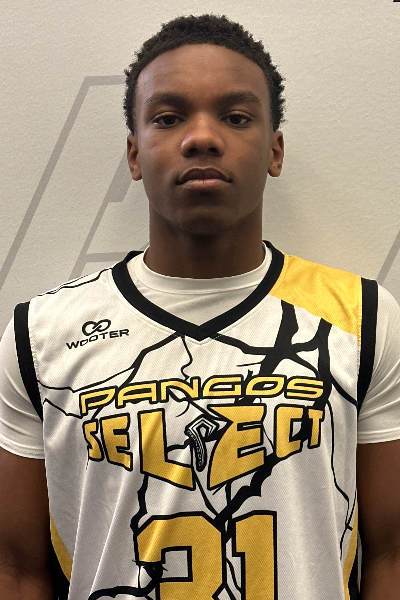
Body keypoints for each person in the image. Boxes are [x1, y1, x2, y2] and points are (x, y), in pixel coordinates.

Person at [1, 13, 400, 600]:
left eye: (236, 117)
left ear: (274, 150)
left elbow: (390, 554)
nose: (202, 138)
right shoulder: (40, 336)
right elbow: (17, 569)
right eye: (168, 118)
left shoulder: (361, 317)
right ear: (135, 155)